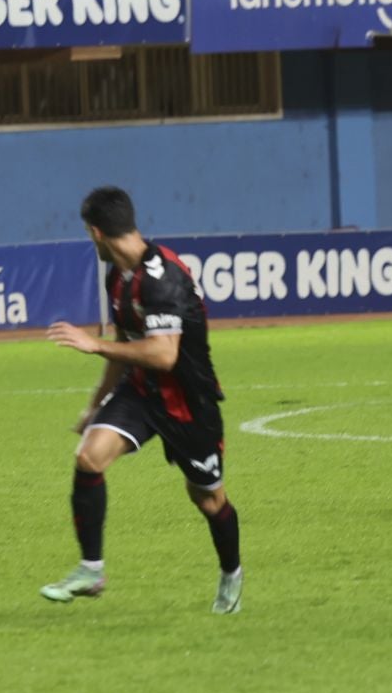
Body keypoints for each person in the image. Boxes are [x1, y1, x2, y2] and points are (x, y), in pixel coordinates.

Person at [42, 187, 244, 615]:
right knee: (89, 458)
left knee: (209, 501)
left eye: (87, 233)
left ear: (97, 232)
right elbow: (125, 343)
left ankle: (231, 573)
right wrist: (96, 404)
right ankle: (91, 569)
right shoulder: (117, 273)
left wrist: (92, 345)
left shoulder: (162, 276)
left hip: (188, 402)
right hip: (140, 392)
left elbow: (164, 354)